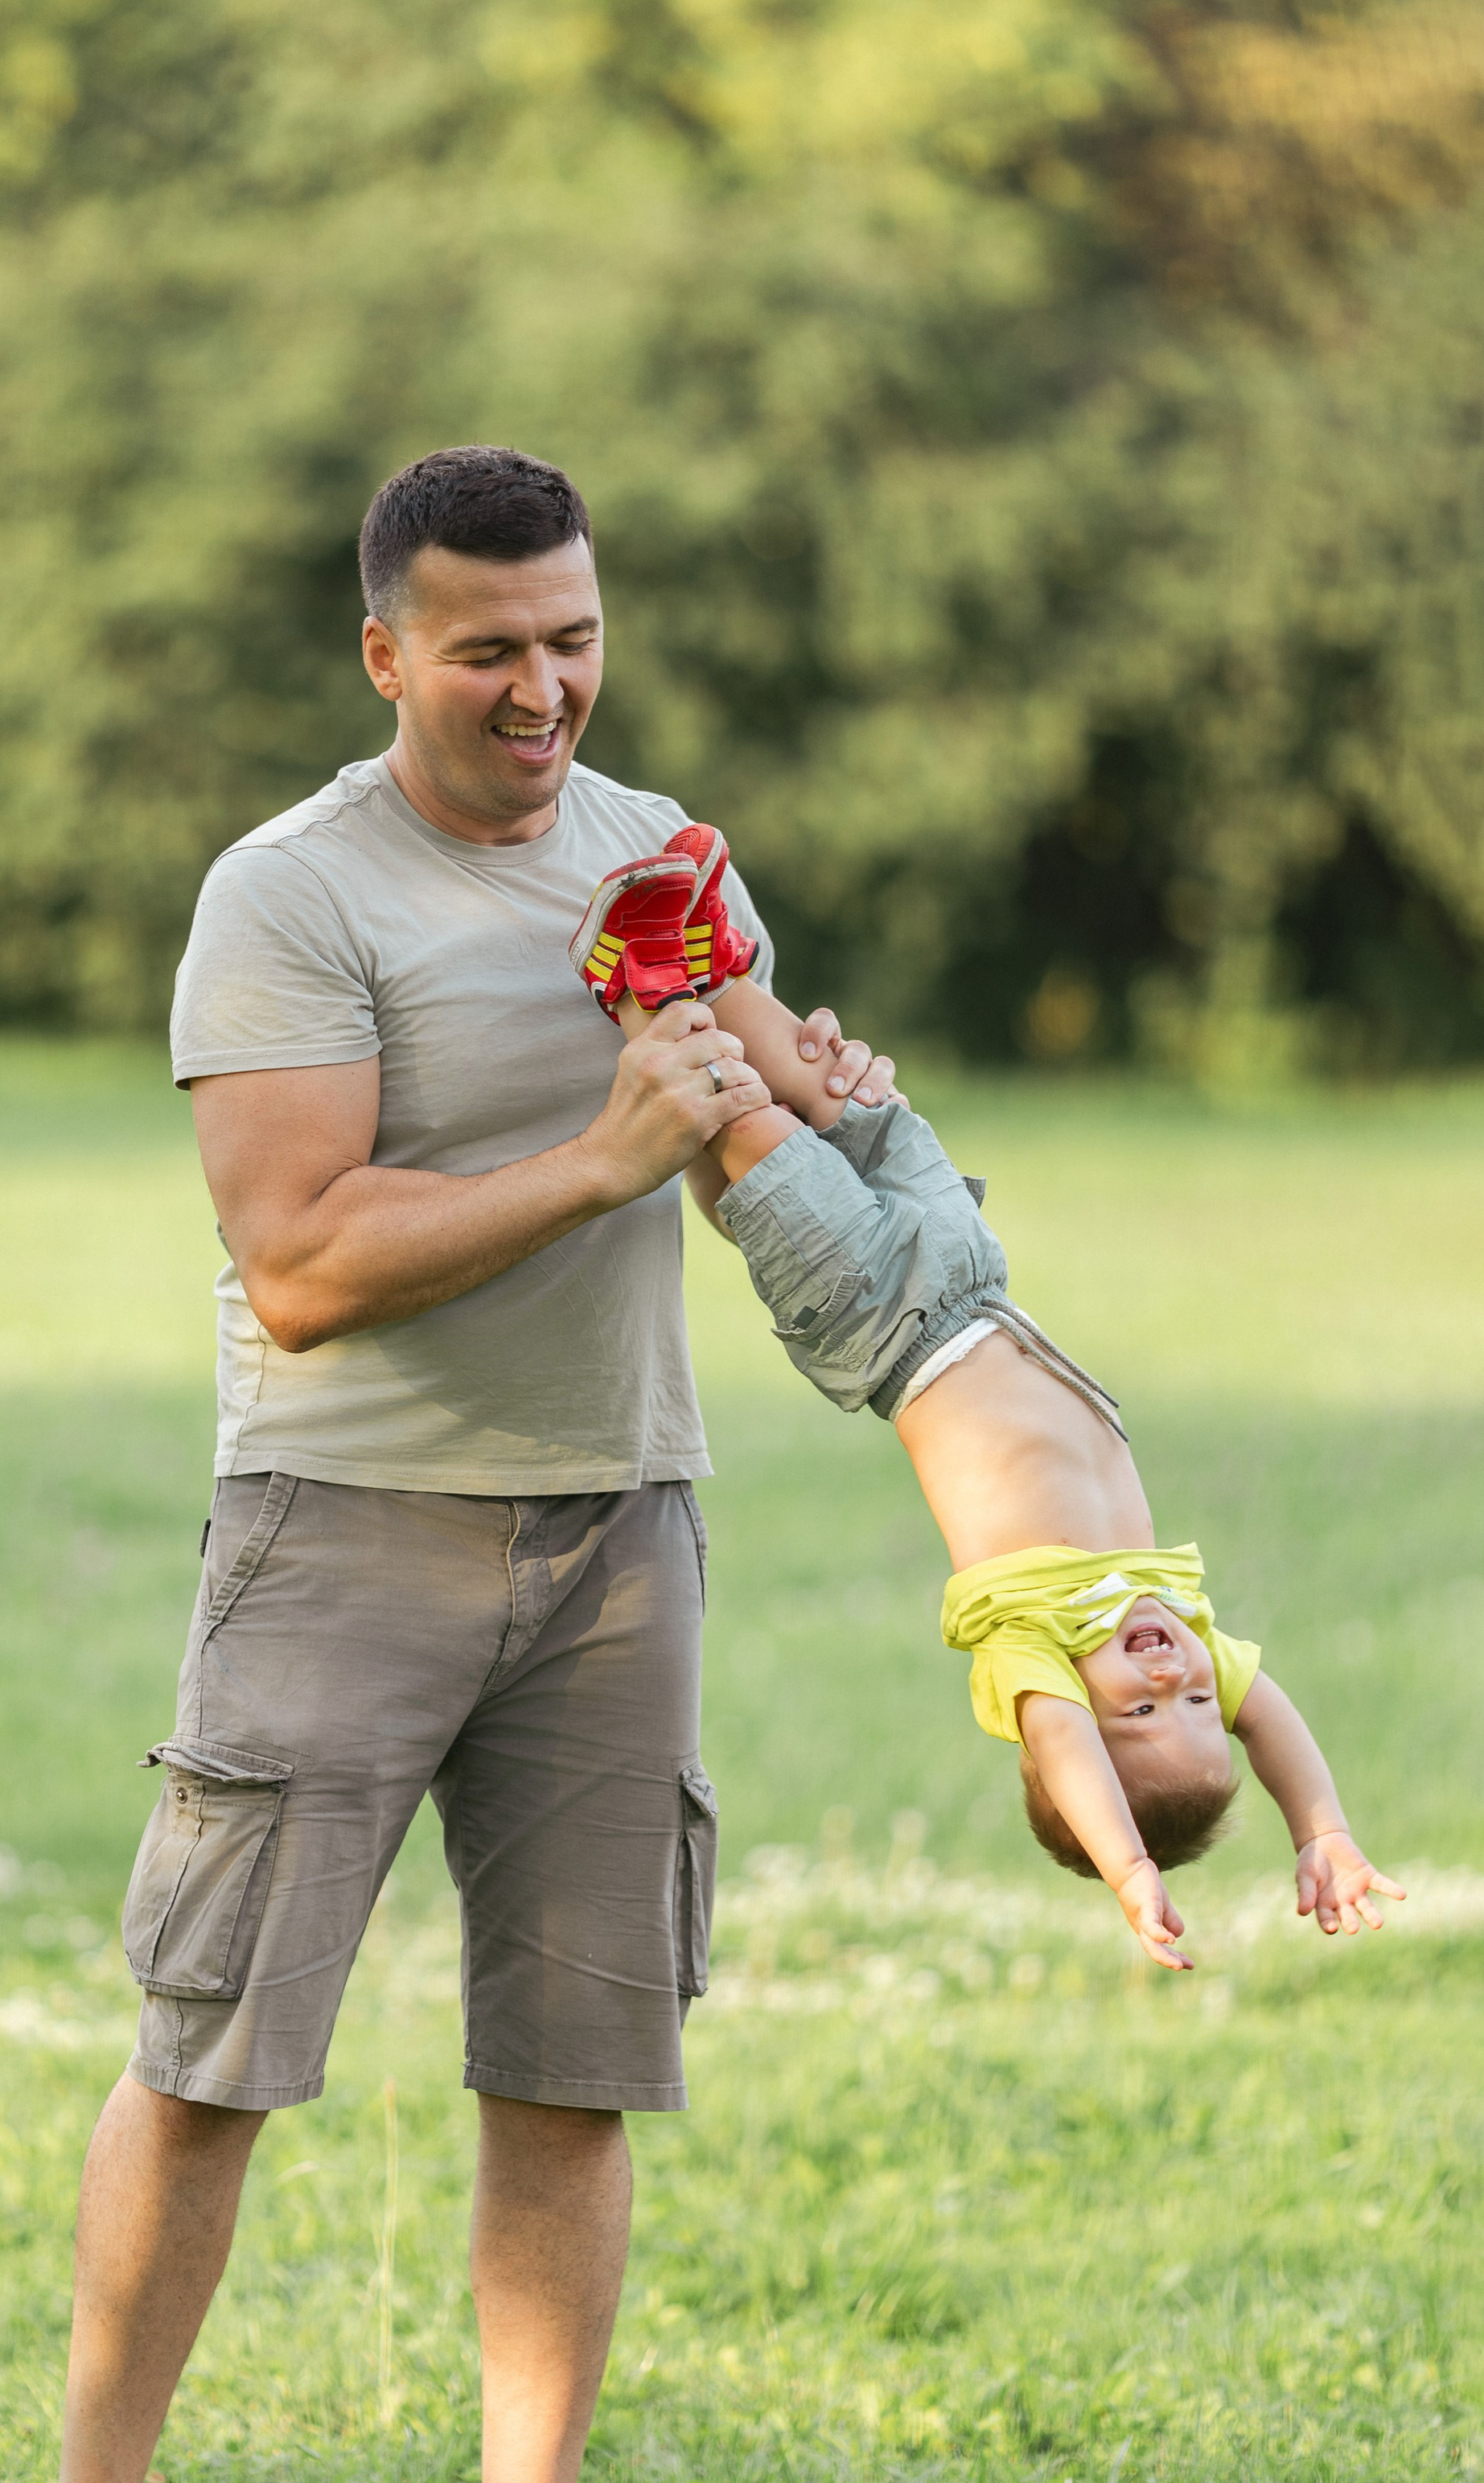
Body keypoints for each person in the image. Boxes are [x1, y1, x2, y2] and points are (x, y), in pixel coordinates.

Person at [14, 446, 898, 2483]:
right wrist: (608, 1152)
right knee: (215, 2050)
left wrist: (827, 1114)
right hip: (343, 1533)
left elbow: (746, 1123)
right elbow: (300, 1259)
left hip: (622, 1529)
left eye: (575, 639)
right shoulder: (295, 896)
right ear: (387, 647)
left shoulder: (664, 855)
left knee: (574, 2061)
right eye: (492, 647)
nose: (545, 690)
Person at [573, 833, 1405, 1975]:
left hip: (879, 1314)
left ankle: (643, 984)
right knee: (839, 1090)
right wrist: (1325, 1831)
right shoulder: (1184, 1620)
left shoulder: (1035, 1654)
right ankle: (721, 977)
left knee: (746, 1126)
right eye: (1198, 1708)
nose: (1174, 1682)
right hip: (972, 1273)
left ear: (1073, 1712)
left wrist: (1130, 1869)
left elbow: (1066, 1746)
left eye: (1141, 1715)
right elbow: (1276, 1721)